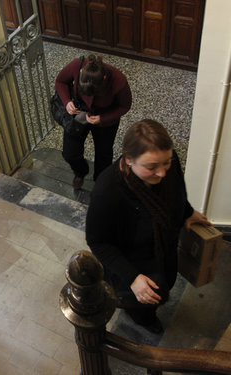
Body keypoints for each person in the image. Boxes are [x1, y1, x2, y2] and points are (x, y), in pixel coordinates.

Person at [85, 119, 210, 334]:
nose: (162, 173)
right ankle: (142, 318)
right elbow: (98, 241)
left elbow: (177, 190)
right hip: (132, 261)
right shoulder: (107, 190)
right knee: (142, 302)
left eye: (167, 163)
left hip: (162, 248)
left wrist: (187, 212)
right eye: (151, 167)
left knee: (163, 283)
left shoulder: (167, 162)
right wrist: (132, 278)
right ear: (129, 160)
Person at [55, 54, 132, 188]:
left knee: (104, 154)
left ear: (104, 79)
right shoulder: (76, 65)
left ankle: (100, 183)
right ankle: (80, 171)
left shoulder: (119, 80)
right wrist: (67, 101)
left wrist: (103, 119)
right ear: (80, 72)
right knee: (70, 152)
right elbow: (60, 81)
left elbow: (124, 106)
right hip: (79, 114)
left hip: (105, 119)